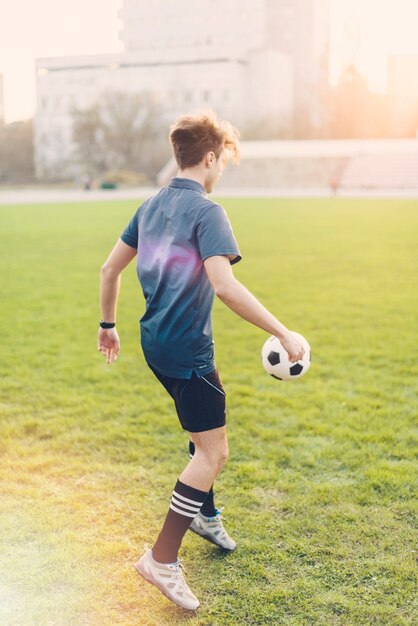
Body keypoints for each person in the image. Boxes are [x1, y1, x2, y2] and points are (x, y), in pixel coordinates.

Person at [98, 111, 305, 611]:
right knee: (213, 453)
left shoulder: (149, 207)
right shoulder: (208, 211)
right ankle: (161, 558)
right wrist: (282, 331)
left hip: (155, 345)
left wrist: (108, 326)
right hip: (189, 351)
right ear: (210, 157)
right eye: (223, 162)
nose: (220, 172)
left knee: (199, 435)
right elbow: (224, 286)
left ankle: (205, 515)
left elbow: (109, 269)